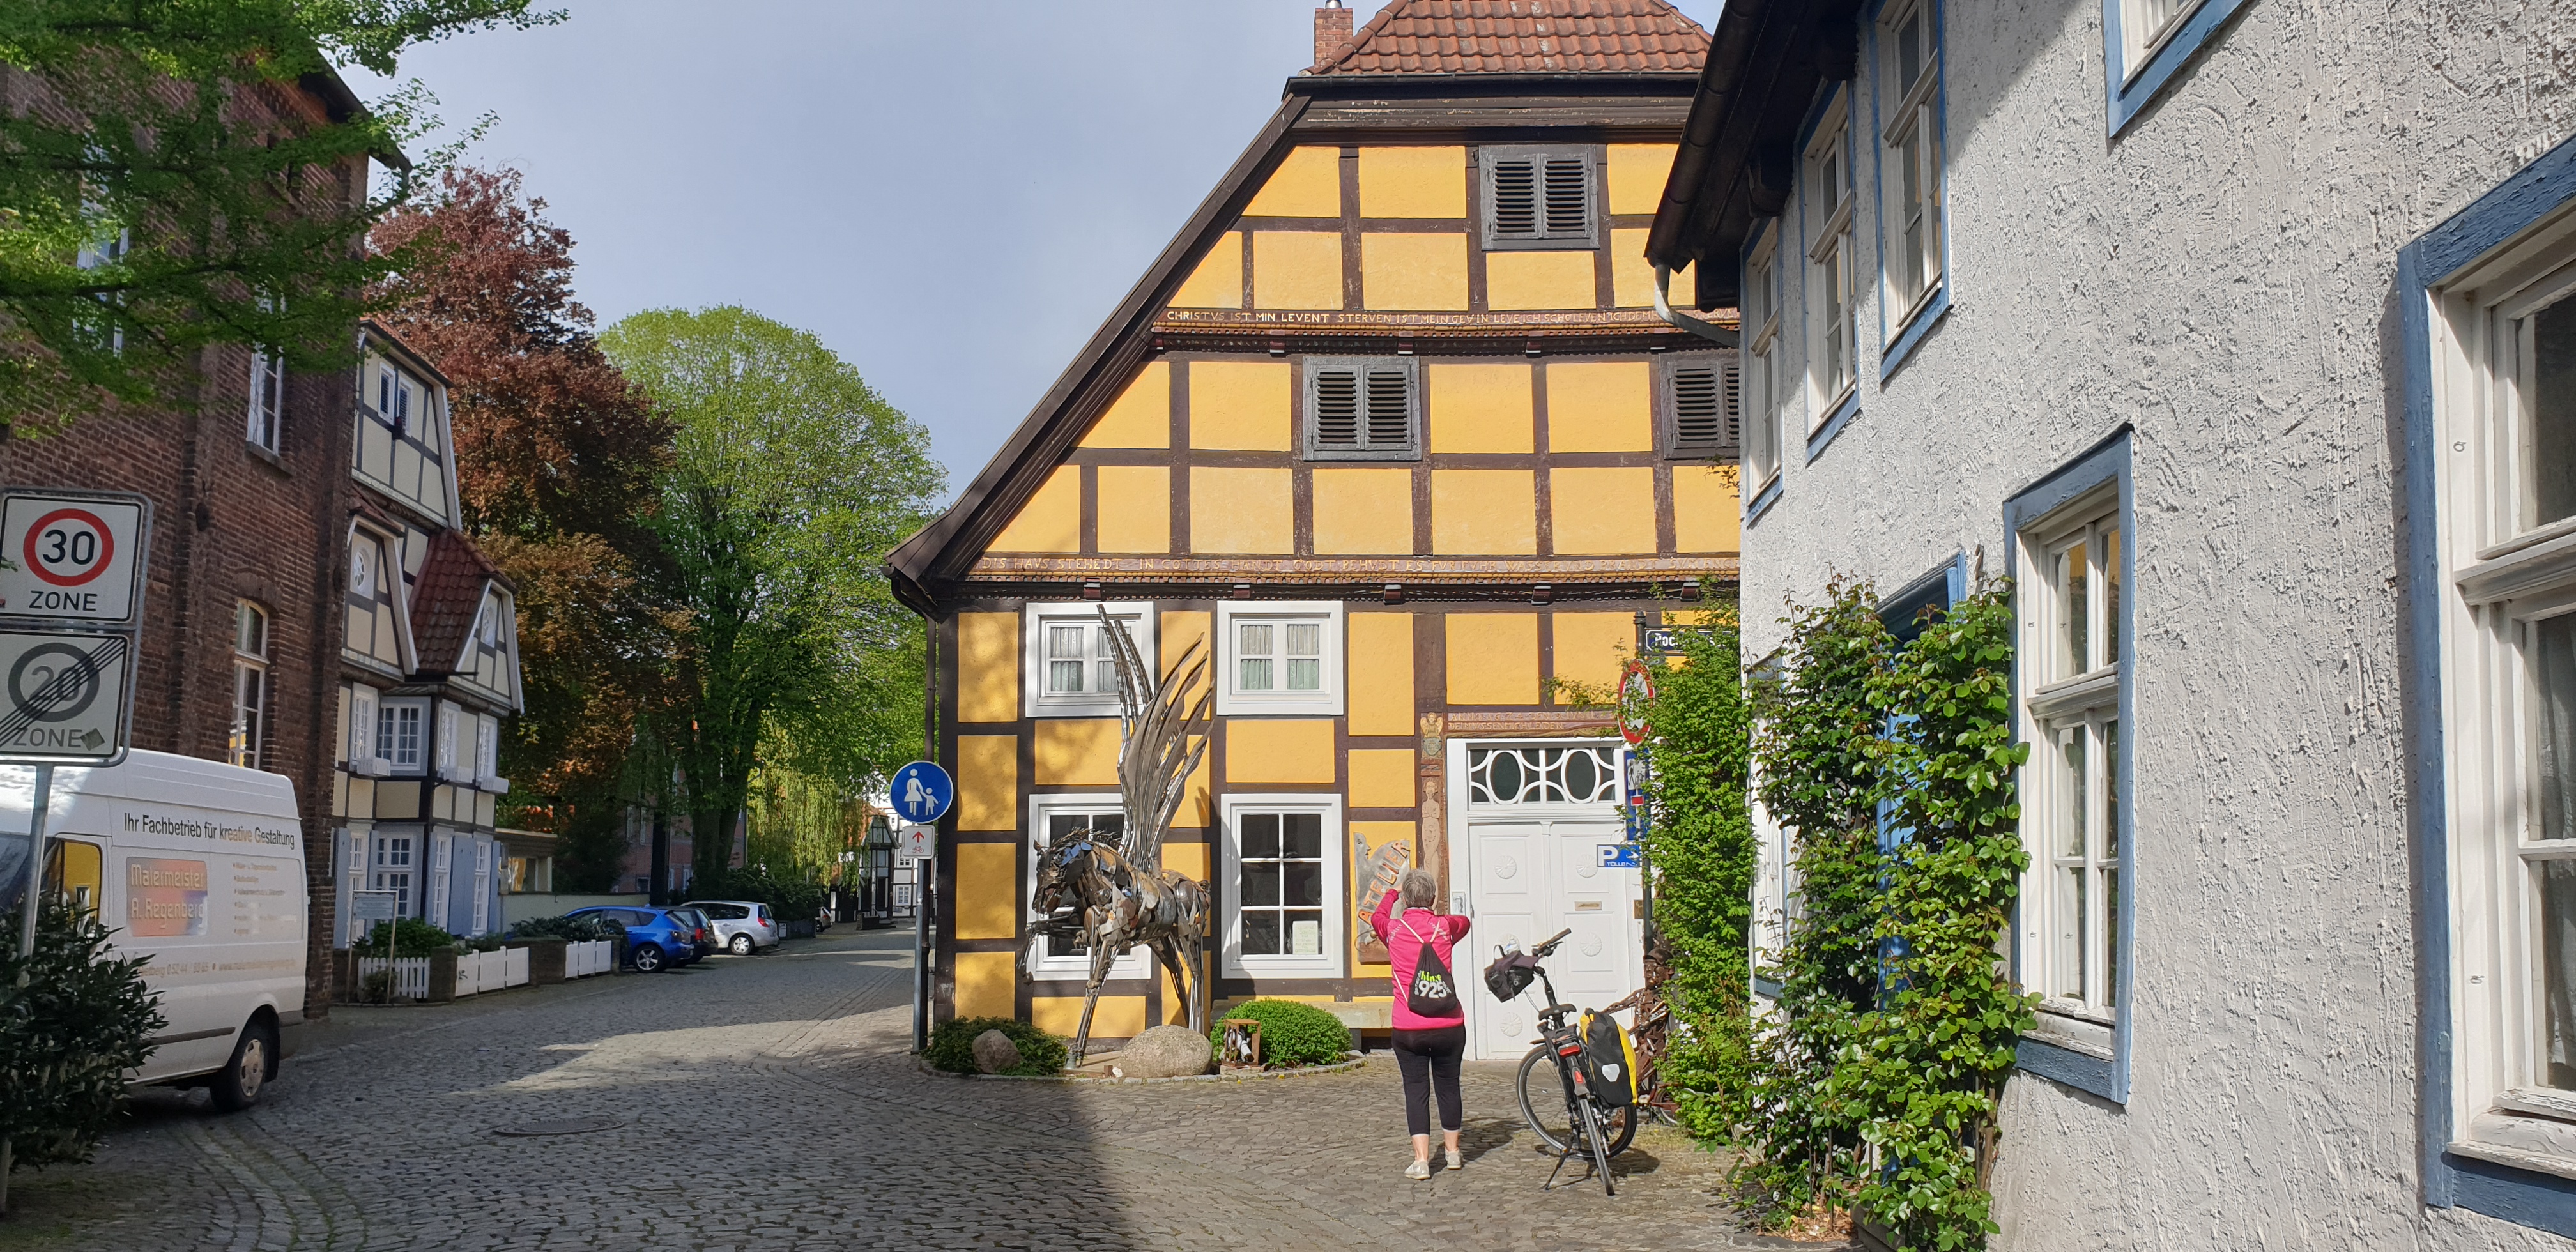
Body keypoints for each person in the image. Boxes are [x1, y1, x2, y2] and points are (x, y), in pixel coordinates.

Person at [1372, 867, 1471, 1180]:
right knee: (1449, 1086)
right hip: (1449, 1025)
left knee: (1416, 1091)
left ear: (1405, 899)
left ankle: (1422, 1161)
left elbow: (1377, 918)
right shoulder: (1445, 928)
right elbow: (1465, 921)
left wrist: (1392, 892)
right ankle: (1453, 1153)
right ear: (1433, 897)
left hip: (1409, 1027)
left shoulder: (1394, 930)